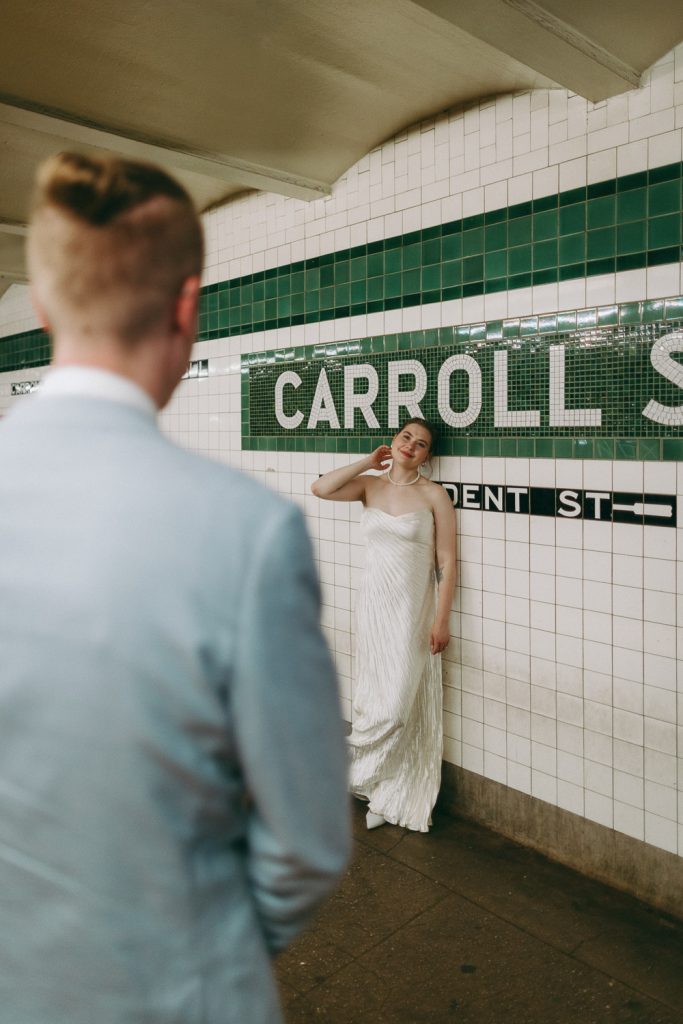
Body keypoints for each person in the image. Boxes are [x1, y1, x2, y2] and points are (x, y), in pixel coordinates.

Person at [0, 152, 350, 1024]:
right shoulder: (246, 534)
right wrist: (206, 940)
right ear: (186, 305)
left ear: (44, 305)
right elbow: (306, 842)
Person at [311, 418, 456, 832]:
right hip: (373, 608)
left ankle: (356, 776)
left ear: (429, 455)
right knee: (373, 701)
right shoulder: (370, 485)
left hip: (413, 613)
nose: (411, 446)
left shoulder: (434, 495)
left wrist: (441, 619)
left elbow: (446, 561)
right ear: (393, 441)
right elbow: (321, 489)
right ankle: (380, 788)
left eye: (422, 444)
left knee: (396, 707)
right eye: (406, 437)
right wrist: (366, 462)